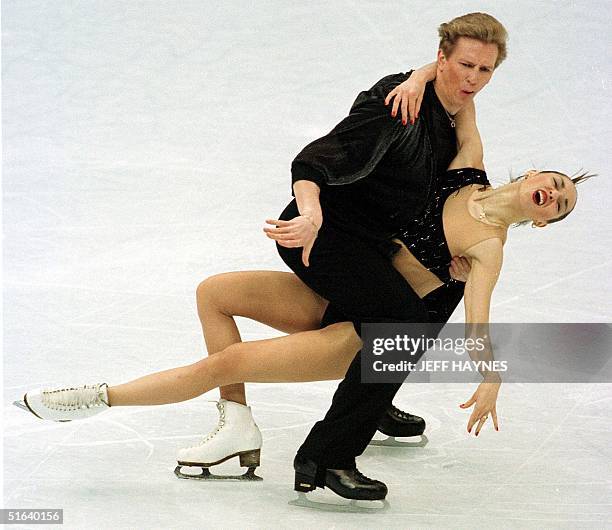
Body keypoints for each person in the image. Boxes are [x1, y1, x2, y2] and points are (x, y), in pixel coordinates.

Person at [16, 98, 585, 500]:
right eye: (556, 185)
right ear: (532, 173)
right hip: (339, 292)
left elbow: (476, 324)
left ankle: (98, 397)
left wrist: (492, 376)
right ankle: (236, 421)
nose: (553, 197)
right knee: (215, 293)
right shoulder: (464, 174)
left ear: (541, 222)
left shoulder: (488, 248)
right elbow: (465, 101)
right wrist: (415, 77)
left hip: (366, 333)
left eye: (558, 207)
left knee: (231, 361)